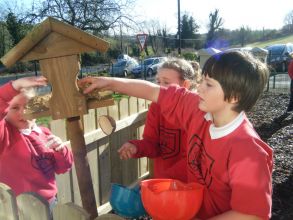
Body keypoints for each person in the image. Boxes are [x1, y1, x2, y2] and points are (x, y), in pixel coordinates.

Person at [78, 50, 273, 220]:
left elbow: (251, 214)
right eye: (202, 81)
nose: (200, 88)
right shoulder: (199, 112)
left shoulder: (248, 153)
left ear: (234, 96)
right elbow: (155, 92)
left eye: (209, 84)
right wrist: (110, 82)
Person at [0, 76, 74, 214]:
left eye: (28, 106)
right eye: (15, 108)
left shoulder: (44, 133)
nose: (23, 112)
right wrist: (14, 87)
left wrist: (61, 150)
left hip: (49, 203)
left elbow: (63, 167)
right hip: (16, 207)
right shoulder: (5, 136)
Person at [118, 58, 197, 182]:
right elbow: (152, 144)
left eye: (166, 82)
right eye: (158, 82)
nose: (160, 87)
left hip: (190, 187)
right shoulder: (156, 107)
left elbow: (195, 160)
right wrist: (136, 147)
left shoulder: (197, 112)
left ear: (185, 85)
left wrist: (167, 178)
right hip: (164, 185)